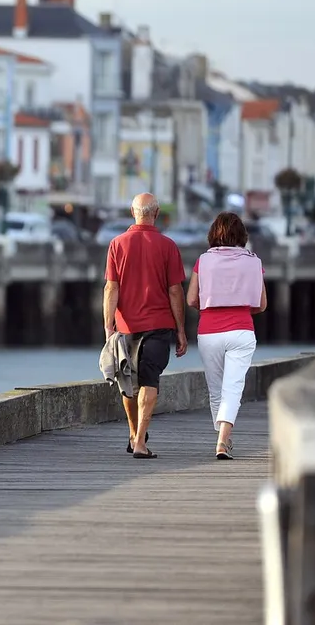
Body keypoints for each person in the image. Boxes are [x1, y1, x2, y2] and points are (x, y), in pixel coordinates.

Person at [104, 192, 188, 459]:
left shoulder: (117, 244)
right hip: (159, 324)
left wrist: (108, 327)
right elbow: (175, 291)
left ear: (132, 212)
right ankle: (139, 439)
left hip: (126, 326)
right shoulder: (168, 246)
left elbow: (111, 288)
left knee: (128, 381)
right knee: (150, 380)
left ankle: (134, 434)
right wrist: (181, 330)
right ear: (157, 213)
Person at [187, 212, 266, 460]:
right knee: (233, 387)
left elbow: (191, 299)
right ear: (242, 235)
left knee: (216, 390)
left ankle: (222, 437)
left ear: (213, 233)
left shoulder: (203, 261)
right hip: (242, 330)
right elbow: (261, 305)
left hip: (209, 332)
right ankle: (223, 440)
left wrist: (210, 306)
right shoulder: (254, 262)